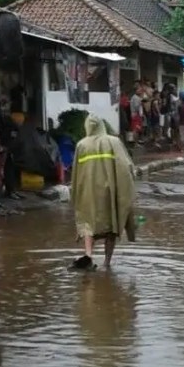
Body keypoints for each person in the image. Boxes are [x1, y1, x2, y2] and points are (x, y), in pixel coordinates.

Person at [70, 115, 136, 270]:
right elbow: (125, 166)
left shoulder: (81, 145)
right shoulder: (113, 142)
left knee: (88, 224)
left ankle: (88, 255)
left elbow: (75, 173)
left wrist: (75, 193)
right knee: (111, 225)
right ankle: (107, 263)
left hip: (88, 192)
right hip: (109, 191)